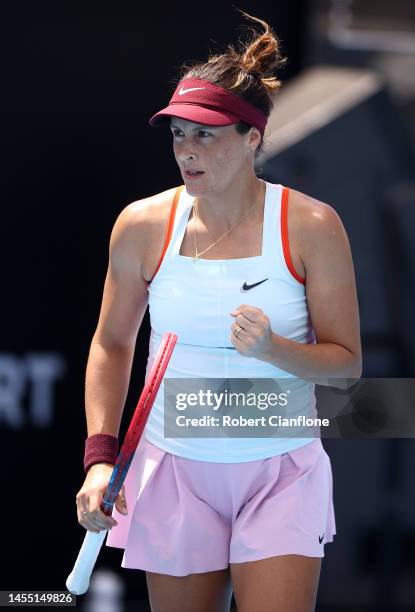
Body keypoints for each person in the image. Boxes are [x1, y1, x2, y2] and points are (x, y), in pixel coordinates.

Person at [75, 10, 362, 612]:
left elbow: (345, 369)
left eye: (205, 133)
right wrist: (99, 460)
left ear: (252, 137)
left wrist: (273, 350)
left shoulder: (311, 225)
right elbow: (112, 344)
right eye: (178, 133)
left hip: (280, 473)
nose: (187, 150)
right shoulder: (142, 224)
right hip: (175, 471)